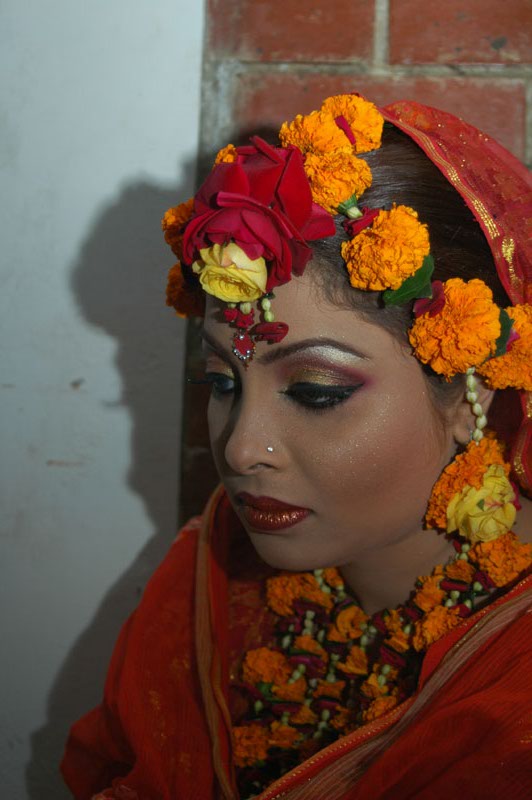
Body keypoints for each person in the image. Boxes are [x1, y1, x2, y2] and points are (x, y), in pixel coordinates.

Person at [61, 94, 532, 799]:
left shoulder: (513, 687)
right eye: (221, 381)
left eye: (316, 392)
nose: (241, 449)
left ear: (476, 392)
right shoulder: (215, 579)